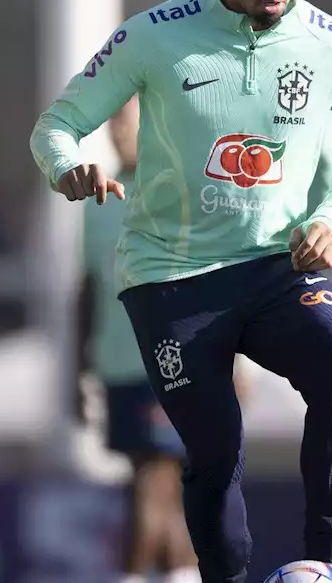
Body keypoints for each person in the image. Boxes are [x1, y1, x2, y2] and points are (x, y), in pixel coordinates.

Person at [31, 0, 332, 582]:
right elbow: (56, 126)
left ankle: (328, 563)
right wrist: (68, 167)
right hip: (172, 278)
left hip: (276, 268)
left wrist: (331, 216)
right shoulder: (154, 36)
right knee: (215, 448)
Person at [77, 96, 202, 583]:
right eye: (114, 124)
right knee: (151, 479)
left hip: (169, 359)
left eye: (128, 123)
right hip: (117, 364)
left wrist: (237, 361)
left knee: (156, 476)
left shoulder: (178, 192)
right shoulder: (98, 199)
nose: (120, 133)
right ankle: (181, 572)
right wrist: (78, 365)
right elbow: (86, 286)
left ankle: (130, 574)